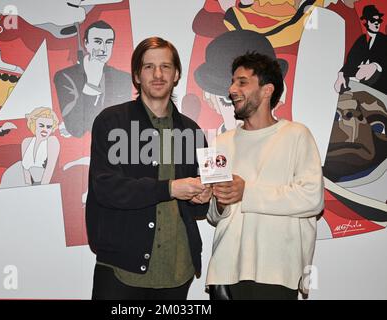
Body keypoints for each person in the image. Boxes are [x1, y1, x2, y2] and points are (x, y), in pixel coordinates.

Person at [86, 37, 212, 300]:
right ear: (136, 74)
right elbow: (106, 188)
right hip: (121, 267)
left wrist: (202, 196)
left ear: (176, 74)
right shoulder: (111, 121)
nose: (158, 74)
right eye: (148, 67)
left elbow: (198, 208)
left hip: (178, 270)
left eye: (166, 67)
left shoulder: (192, 130)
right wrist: (169, 188)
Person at [206, 52, 324, 300]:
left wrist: (245, 192)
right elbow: (214, 215)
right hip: (225, 272)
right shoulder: (219, 143)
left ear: (267, 90)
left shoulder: (296, 135)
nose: (231, 89)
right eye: (232, 82)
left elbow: (312, 198)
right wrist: (219, 201)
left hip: (278, 272)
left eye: (241, 82)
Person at [54, 20, 132, 137]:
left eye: (109, 42)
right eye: (98, 42)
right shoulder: (65, 77)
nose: (104, 48)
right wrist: (89, 87)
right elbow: (76, 129)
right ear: (86, 43)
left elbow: (118, 126)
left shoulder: (124, 79)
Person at [0, 107, 60, 188]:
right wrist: (28, 187)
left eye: (48, 127)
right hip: (18, 180)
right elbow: (25, 171)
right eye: (41, 125)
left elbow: (49, 169)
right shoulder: (26, 142)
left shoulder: (52, 141)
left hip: (42, 184)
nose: (45, 129)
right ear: (34, 124)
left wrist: (42, 188)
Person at [334, 5, 387, 94]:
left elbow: (383, 61)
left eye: (379, 20)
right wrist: (341, 74)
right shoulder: (361, 40)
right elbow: (350, 62)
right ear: (366, 21)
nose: (377, 23)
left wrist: (375, 66)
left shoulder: (384, 40)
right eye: (373, 20)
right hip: (356, 86)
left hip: (378, 88)